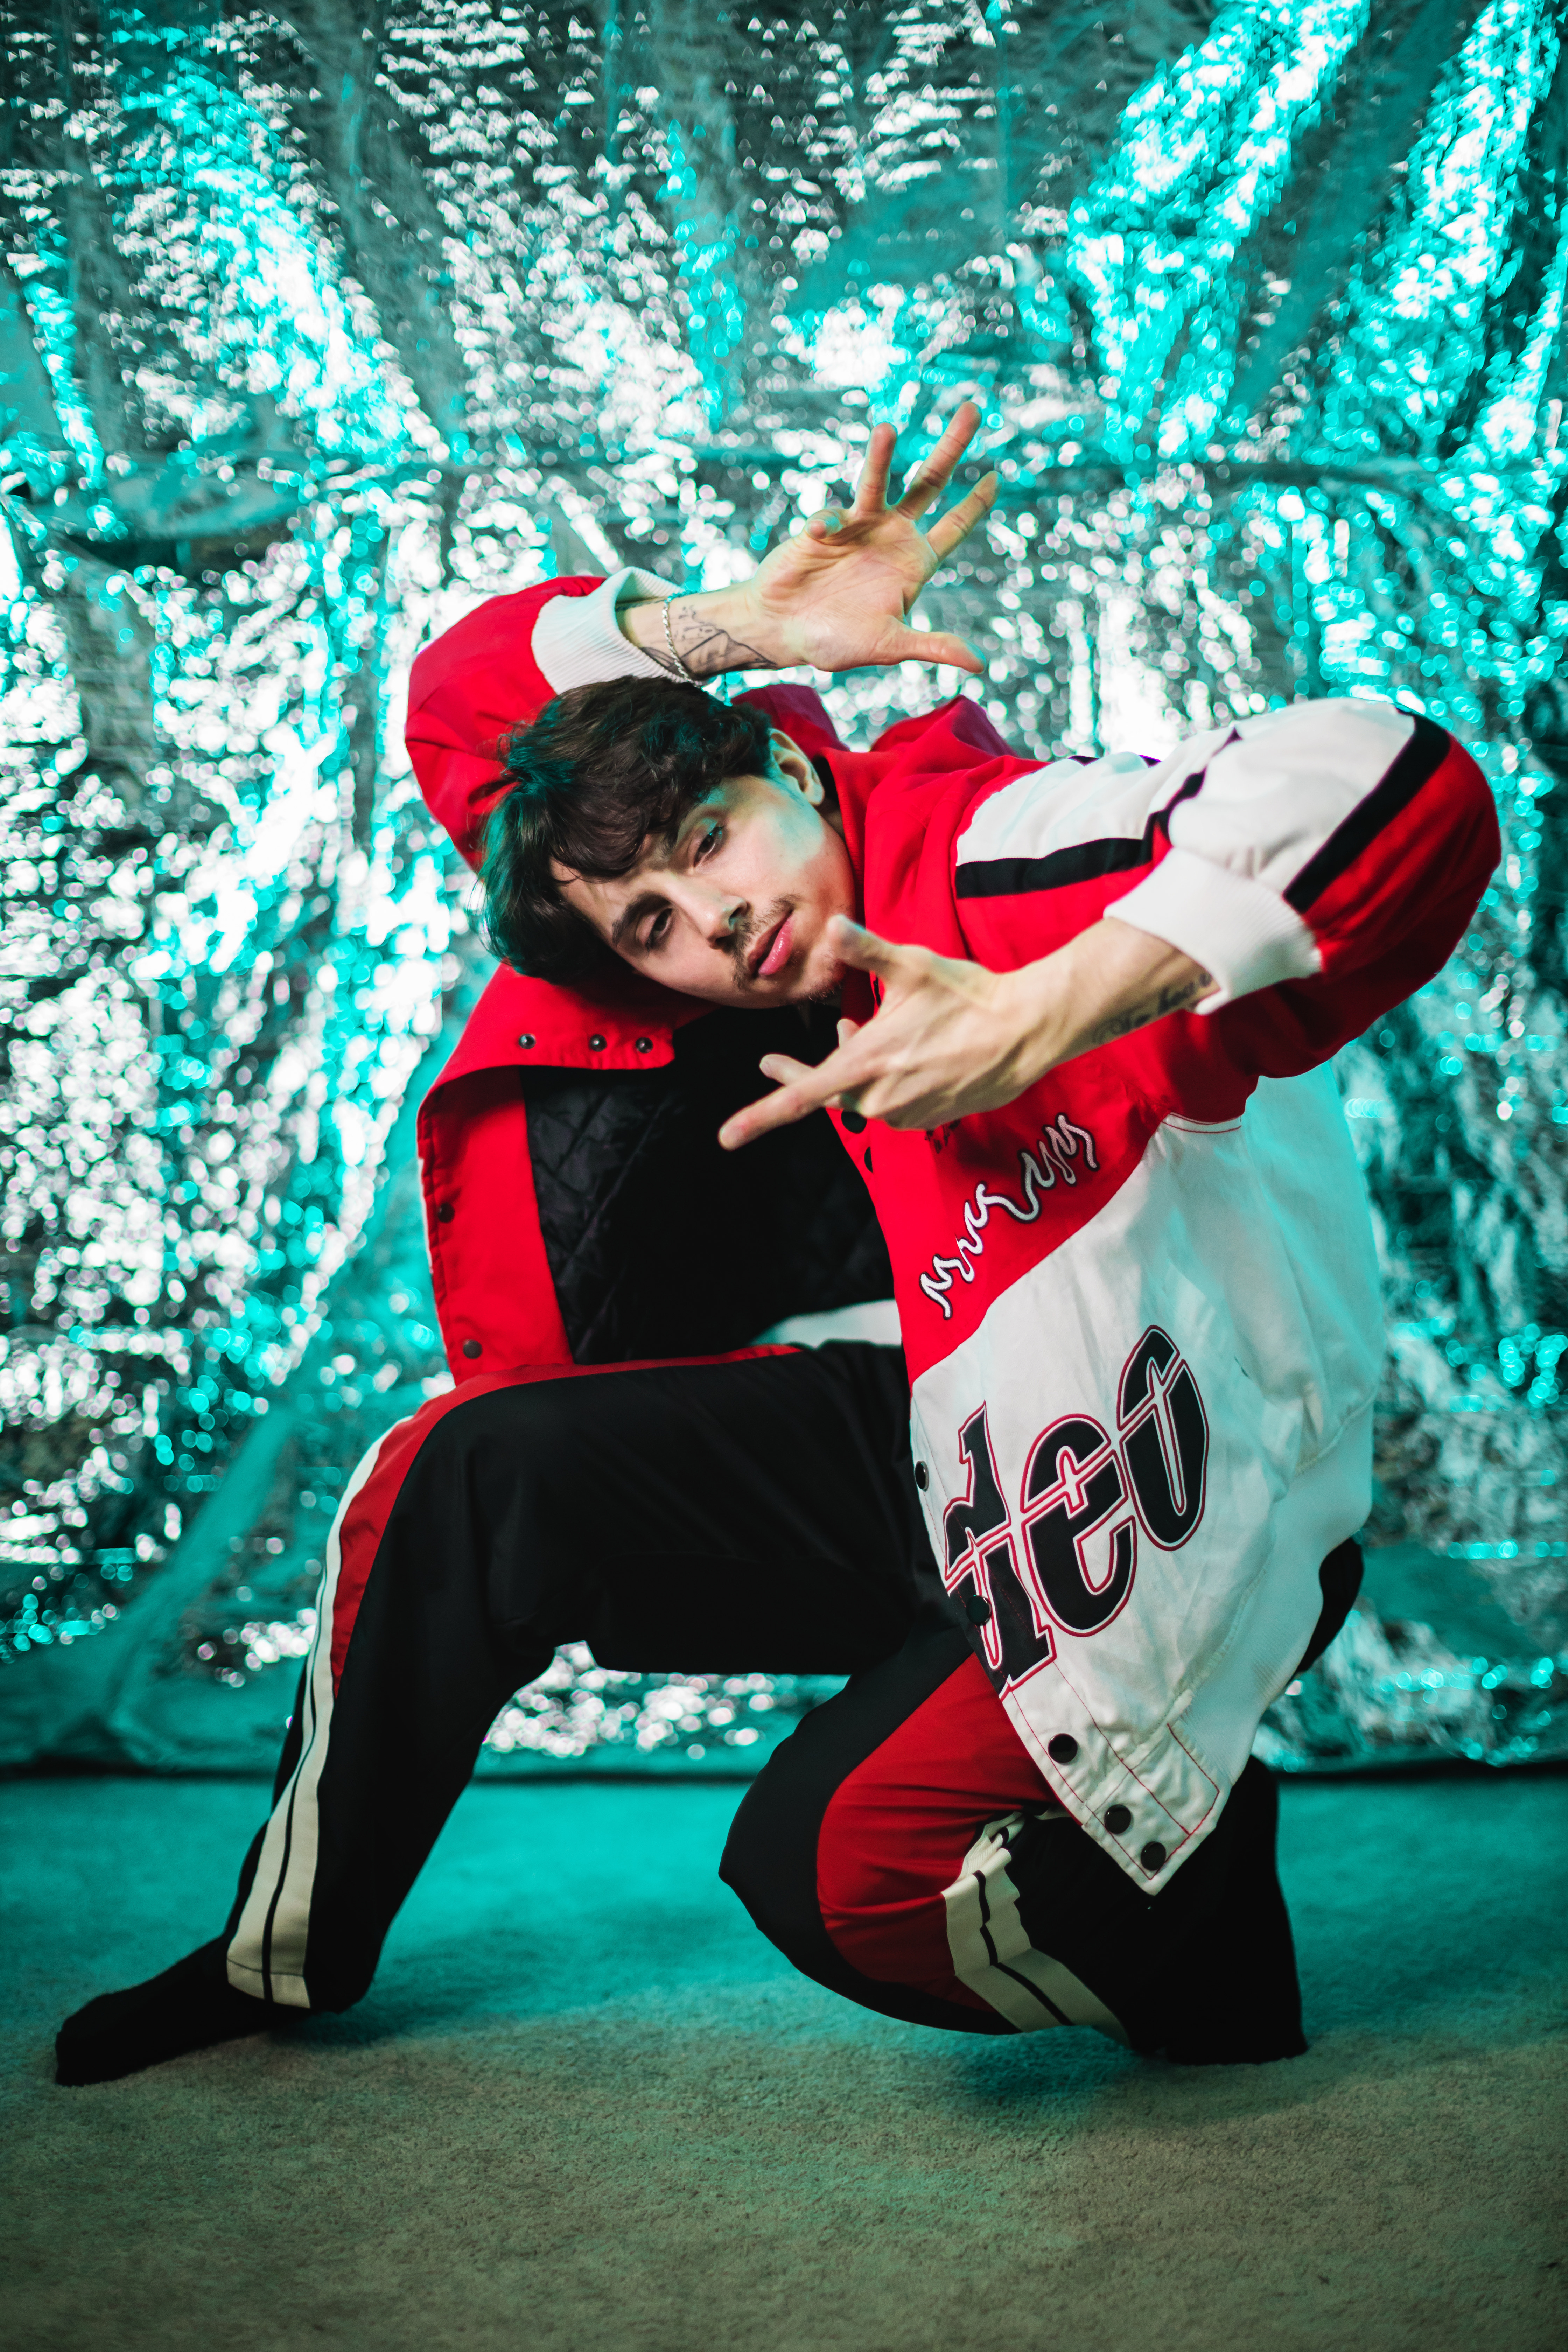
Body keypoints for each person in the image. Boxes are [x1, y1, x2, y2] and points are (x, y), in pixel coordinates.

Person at [56, 408, 1498, 2086]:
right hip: (928, 1431)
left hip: (1162, 1487)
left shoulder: (995, 849)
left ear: (797, 772)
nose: (710, 921)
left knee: (837, 1876)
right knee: (458, 1470)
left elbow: (1399, 778)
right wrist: (737, 631)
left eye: (708, 842)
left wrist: (1060, 1005)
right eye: (649, 925)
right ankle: (281, 1964)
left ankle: (1193, 1939)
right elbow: (462, 718)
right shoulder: (721, 930)